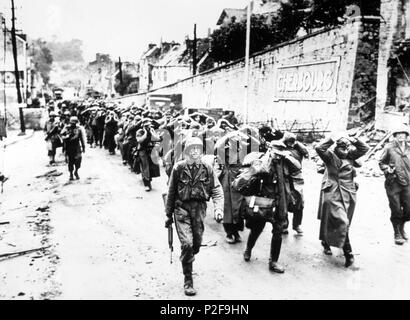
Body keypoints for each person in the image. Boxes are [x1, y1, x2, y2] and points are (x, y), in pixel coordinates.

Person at [165, 137, 224, 296]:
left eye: (198, 148)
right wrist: (168, 214)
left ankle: (188, 256)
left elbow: (217, 190)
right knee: (187, 244)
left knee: (196, 244)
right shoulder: (178, 168)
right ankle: (188, 280)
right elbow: (171, 192)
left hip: (199, 209)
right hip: (181, 209)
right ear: (186, 152)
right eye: (192, 149)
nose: (195, 151)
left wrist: (218, 209)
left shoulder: (207, 168)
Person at [237, 143, 298, 274]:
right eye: (276, 153)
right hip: (264, 202)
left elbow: (297, 168)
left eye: (280, 154)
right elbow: (250, 175)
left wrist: (287, 157)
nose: (278, 156)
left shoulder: (285, 162)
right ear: (270, 150)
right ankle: (248, 249)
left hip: (280, 202)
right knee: (257, 228)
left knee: (278, 231)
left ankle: (274, 262)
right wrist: (268, 158)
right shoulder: (262, 162)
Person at [316, 134, 369, 267]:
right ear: (336, 147)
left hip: (349, 192)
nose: (345, 149)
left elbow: (365, 148)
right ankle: (348, 253)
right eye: (341, 146)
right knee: (342, 222)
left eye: (347, 146)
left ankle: (327, 241)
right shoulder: (329, 156)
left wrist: (354, 140)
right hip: (334, 192)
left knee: (344, 222)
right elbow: (319, 147)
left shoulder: (351, 155)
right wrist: (332, 138)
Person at [379, 124, 410, 245]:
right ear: (395, 136)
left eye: (404, 134)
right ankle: (397, 232)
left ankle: (401, 226)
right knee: (396, 209)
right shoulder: (389, 147)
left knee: (408, 210)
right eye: (399, 134)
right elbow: (381, 162)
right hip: (393, 183)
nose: (401, 136)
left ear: (407, 136)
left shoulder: (409, 148)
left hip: (408, 182)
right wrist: (387, 169)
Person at [214, 131, 247, 244]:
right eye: (234, 141)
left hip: (239, 181)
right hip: (227, 181)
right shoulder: (224, 151)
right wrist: (228, 136)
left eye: (238, 141)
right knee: (227, 207)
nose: (237, 143)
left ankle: (236, 231)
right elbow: (217, 146)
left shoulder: (243, 151)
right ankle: (229, 232)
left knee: (238, 208)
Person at [281, 132, 309, 235]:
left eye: (292, 141)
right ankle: (284, 225)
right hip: (285, 178)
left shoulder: (298, 149)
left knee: (299, 202)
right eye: (289, 141)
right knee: (284, 202)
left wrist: (296, 143)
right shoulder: (281, 149)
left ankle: (296, 225)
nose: (291, 143)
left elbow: (306, 152)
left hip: (297, 178)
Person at [61, 116, 86, 181]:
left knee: (78, 159)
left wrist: (83, 147)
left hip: (77, 146)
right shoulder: (66, 128)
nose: (73, 124)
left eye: (74, 123)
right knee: (70, 161)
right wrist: (66, 137)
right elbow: (61, 135)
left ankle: (76, 171)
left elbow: (82, 138)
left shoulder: (79, 129)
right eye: (72, 123)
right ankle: (71, 174)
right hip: (69, 146)